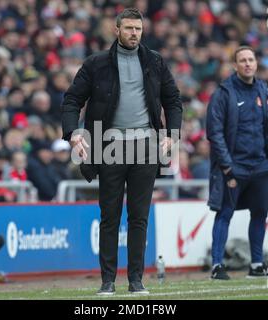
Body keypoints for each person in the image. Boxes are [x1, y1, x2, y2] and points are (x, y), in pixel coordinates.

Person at [61, 8, 182, 295]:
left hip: (145, 147)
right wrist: (73, 133)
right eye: (128, 28)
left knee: (139, 216)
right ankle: (107, 281)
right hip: (109, 146)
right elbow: (72, 100)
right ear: (116, 30)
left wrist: (171, 135)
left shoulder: (154, 61)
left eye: (138, 29)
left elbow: (173, 100)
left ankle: (136, 280)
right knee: (110, 216)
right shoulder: (96, 64)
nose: (134, 33)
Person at [206, 46, 268, 280]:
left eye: (251, 59)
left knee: (259, 213)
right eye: (242, 60)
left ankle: (256, 264)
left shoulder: (263, 90)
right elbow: (214, 132)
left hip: (260, 166)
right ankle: (217, 265)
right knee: (224, 213)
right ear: (235, 65)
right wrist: (227, 166)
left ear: (256, 63)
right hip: (233, 167)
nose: (248, 63)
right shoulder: (223, 93)